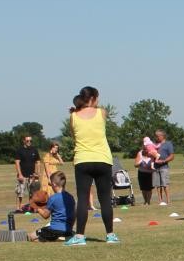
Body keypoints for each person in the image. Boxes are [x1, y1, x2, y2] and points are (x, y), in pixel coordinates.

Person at [65, 86, 119, 245]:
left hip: (83, 160)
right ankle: (110, 235)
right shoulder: (102, 112)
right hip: (103, 159)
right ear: (94, 98)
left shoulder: (73, 116)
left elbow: (74, 136)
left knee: (82, 199)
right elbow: (98, 112)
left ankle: (80, 236)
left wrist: (75, 110)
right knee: (105, 199)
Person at [31, 170, 76, 241]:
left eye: (51, 184)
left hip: (54, 229)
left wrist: (37, 208)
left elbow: (45, 216)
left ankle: (57, 238)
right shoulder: (71, 197)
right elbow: (73, 215)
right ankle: (65, 236)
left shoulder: (53, 198)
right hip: (68, 230)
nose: (50, 186)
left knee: (32, 236)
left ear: (54, 184)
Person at [13, 135, 40, 210]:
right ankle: (18, 207)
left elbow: (38, 162)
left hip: (32, 176)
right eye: (27, 141)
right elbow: (17, 163)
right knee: (20, 193)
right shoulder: (20, 150)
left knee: (32, 192)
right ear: (24, 141)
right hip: (23, 175)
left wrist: (37, 173)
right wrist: (20, 174)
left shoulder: (34, 150)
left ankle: (32, 207)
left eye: (31, 141)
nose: (29, 142)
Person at [153, 129, 174, 206]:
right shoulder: (155, 144)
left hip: (164, 167)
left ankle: (168, 201)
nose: (156, 137)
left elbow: (172, 156)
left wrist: (163, 161)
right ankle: (160, 201)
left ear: (162, 136)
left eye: (157, 136)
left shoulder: (168, 144)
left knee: (165, 184)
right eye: (156, 136)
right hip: (155, 167)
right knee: (158, 185)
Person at [135, 137, 158, 206]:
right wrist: (139, 163)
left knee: (149, 188)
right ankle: (145, 201)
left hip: (149, 173)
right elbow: (135, 165)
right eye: (145, 146)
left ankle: (148, 201)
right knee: (143, 188)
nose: (146, 147)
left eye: (147, 146)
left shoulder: (153, 153)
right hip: (141, 173)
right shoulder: (140, 153)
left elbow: (158, 159)